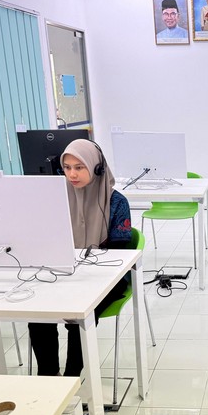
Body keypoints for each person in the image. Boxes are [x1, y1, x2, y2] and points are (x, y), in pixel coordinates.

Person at [28, 139, 132, 377]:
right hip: (62, 272)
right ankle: (48, 377)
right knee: (38, 316)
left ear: (97, 167)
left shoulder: (116, 202)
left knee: (80, 315)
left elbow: (119, 253)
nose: (72, 174)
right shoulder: (56, 199)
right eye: (67, 168)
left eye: (79, 167)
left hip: (106, 278)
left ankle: (71, 378)